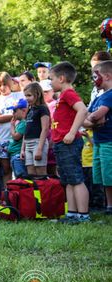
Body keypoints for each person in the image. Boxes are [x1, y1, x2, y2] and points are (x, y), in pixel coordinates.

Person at [49, 61, 90, 223]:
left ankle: (83, 215)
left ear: (61, 78)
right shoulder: (62, 96)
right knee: (67, 179)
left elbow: (83, 110)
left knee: (76, 179)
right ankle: (72, 214)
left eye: (51, 79)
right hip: (61, 143)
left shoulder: (68, 94)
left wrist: (72, 132)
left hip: (69, 142)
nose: (50, 82)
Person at [84, 60, 112, 215]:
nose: (94, 80)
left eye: (96, 77)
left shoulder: (110, 96)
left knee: (110, 173)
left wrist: (91, 119)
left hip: (109, 141)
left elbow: (94, 116)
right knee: (103, 175)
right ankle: (109, 206)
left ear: (107, 76)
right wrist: (92, 121)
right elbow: (86, 118)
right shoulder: (98, 98)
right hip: (99, 141)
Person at [0, 72, 25, 186]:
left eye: (5, 84)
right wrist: (16, 115)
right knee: (6, 170)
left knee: (19, 169)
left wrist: (12, 116)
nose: (2, 88)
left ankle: (22, 194)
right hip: (2, 139)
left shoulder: (19, 96)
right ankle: (8, 195)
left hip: (18, 138)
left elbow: (24, 113)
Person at [20, 83, 50, 176]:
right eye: (25, 96)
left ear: (37, 94)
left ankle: (44, 190)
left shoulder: (42, 109)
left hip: (38, 143)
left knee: (41, 174)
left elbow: (45, 129)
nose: (27, 98)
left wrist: (40, 149)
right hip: (28, 144)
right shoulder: (30, 109)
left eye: (29, 95)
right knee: (31, 174)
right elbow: (26, 130)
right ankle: (35, 191)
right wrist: (22, 149)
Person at [8, 100, 28, 178]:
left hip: (18, 155)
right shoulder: (20, 123)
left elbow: (16, 137)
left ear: (23, 110)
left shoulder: (24, 123)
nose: (13, 114)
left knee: (21, 178)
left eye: (15, 111)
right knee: (16, 177)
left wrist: (12, 126)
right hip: (13, 155)